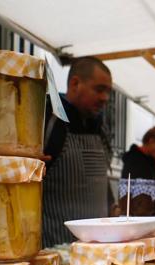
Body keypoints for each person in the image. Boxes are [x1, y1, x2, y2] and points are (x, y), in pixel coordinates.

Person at [42, 56, 112, 247]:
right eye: (99, 89)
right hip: (56, 250)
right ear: (75, 83)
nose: (105, 98)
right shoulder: (50, 121)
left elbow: (101, 178)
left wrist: (113, 207)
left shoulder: (101, 127)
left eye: (108, 92)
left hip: (98, 249)